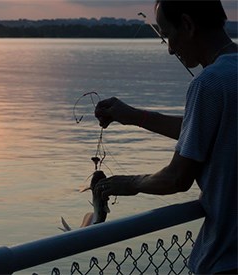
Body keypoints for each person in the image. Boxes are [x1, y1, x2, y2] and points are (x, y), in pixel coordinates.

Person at [94, 0, 237, 274]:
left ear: (187, 25)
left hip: (225, 261)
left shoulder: (208, 83)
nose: (170, 49)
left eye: (168, 35)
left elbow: (177, 178)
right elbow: (208, 129)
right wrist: (134, 116)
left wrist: (132, 183)